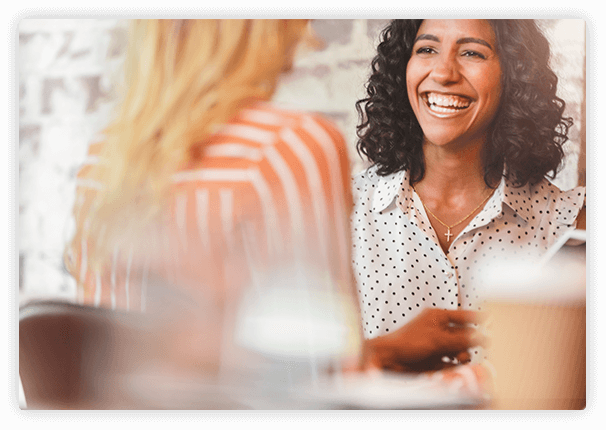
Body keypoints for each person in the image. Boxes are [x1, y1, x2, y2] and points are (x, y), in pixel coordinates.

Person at [63, 19, 363, 396]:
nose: (307, 34)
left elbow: (146, 355)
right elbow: (320, 372)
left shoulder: (105, 160)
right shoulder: (286, 146)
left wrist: (389, 347)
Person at [352, 19, 586, 375]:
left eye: (472, 53)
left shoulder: (570, 223)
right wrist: (380, 352)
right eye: (427, 49)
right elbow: (293, 373)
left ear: (514, 74)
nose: (443, 72)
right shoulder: (343, 210)